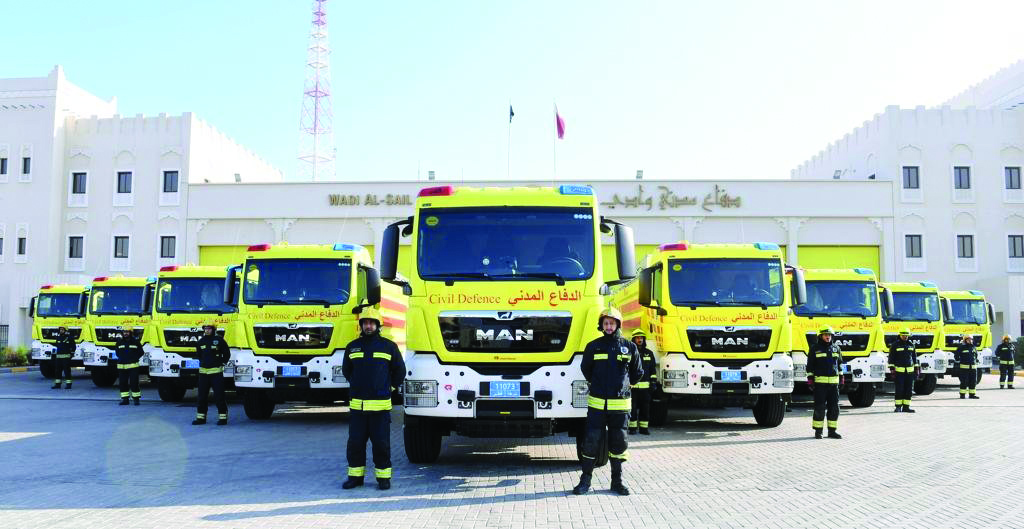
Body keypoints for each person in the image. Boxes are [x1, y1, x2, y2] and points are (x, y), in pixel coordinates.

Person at [573, 306, 643, 496]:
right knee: (591, 442)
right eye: (606, 323)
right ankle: (585, 481)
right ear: (601, 325)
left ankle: (617, 482)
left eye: (612, 323)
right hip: (597, 405)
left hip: (620, 406)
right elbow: (586, 368)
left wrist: (624, 385)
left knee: (619, 444)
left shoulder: (630, 347)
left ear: (618, 324)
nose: (609, 326)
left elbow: (637, 373)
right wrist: (596, 384)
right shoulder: (593, 346)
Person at [341, 308, 405, 491]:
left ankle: (383, 479)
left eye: (371, 323)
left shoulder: (388, 346)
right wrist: (357, 384)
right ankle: (355, 477)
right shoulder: (352, 346)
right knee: (355, 444)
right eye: (365, 323)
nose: (368, 326)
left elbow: (400, 371)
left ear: (378, 325)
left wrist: (388, 387)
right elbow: (347, 371)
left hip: (380, 409)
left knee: (381, 444)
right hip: (358, 409)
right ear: (361, 325)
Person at [806, 326, 843, 439]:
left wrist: (841, 377)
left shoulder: (836, 348)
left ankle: (832, 431)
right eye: (826, 335)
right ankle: (818, 431)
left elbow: (840, 364)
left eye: (829, 335)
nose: (828, 336)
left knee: (834, 408)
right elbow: (810, 366)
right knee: (819, 407)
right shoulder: (814, 349)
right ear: (821, 336)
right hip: (820, 385)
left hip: (833, 385)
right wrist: (810, 380)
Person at [192, 324, 230, 425]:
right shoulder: (200, 342)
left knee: (219, 396)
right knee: (201, 397)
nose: (207, 330)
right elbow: (199, 355)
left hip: (216, 373)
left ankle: (223, 418)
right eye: (205, 328)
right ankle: (201, 418)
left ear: (213, 329)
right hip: (203, 374)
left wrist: (222, 363)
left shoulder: (219, 340)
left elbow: (227, 353)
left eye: (209, 328)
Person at [628, 329, 658, 435]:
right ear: (633, 339)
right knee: (633, 409)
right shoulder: (629, 353)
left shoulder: (649, 353)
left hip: (646, 389)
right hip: (633, 388)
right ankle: (632, 428)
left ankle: (644, 428)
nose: (639, 340)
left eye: (641, 338)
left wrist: (653, 382)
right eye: (637, 338)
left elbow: (653, 370)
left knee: (645, 409)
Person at [888, 328, 919, 413]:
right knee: (899, 390)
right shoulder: (895, 345)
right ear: (900, 335)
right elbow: (891, 357)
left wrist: (916, 368)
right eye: (903, 335)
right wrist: (892, 369)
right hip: (899, 372)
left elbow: (914, 357)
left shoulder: (911, 344)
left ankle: (906, 407)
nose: (905, 337)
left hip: (910, 372)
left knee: (909, 390)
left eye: (907, 335)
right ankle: (898, 407)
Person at [114, 326, 143, 406]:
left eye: (127, 332)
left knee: (134, 383)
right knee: (122, 383)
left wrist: (134, 358)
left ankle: (136, 399)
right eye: (124, 332)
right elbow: (117, 352)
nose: (125, 333)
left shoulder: (135, 342)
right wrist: (122, 358)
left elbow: (141, 352)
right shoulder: (119, 342)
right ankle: (125, 399)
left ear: (131, 333)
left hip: (133, 366)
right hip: (121, 366)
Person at [954, 334, 980, 399]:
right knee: (964, 382)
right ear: (965, 340)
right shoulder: (961, 347)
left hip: (973, 368)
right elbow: (956, 356)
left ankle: (972, 395)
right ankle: (962, 394)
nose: (970, 340)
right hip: (964, 368)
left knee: (973, 382)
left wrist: (976, 361)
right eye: (968, 339)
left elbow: (976, 356)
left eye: (971, 339)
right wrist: (959, 361)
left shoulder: (974, 347)